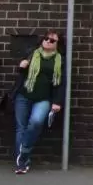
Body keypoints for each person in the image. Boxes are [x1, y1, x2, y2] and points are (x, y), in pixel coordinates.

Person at [13, 31, 66, 174]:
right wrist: (21, 66)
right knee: (21, 128)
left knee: (36, 122)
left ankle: (23, 153)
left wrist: (57, 102)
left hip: (43, 98)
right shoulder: (32, 53)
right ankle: (22, 163)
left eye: (52, 40)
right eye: (46, 38)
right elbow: (21, 74)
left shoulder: (60, 60)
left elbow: (61, 83)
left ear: (57, 44)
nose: (48, 41)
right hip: (23, 95)